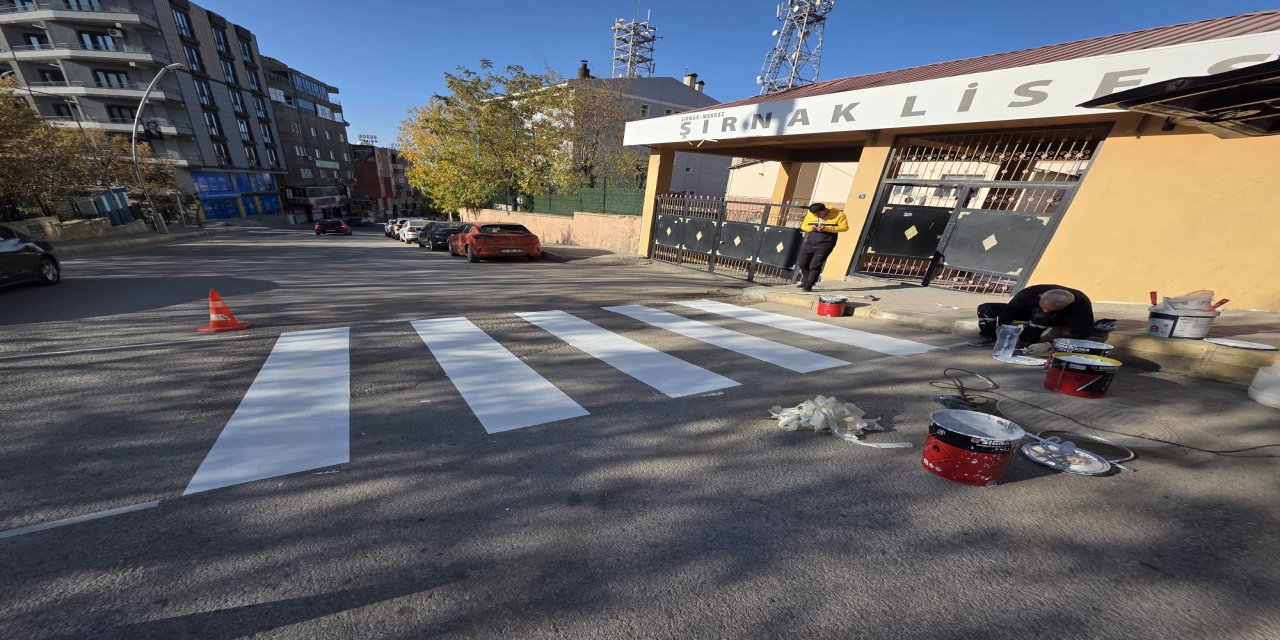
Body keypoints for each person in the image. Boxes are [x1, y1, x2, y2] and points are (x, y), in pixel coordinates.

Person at [967, 284, 1095, 348]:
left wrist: (1048, 345)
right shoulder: (1030, 293)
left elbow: (1082, 334)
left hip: (1057, 319)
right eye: (1043, 305)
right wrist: (1003, 330)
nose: (1045, 309)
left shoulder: (1081, 306)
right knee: (986, 308)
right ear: (1040, 297)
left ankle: (1026, 342)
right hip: (1028, 312)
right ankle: (987, 336)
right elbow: (1009, 311)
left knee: (1041, 316)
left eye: (1049, 309)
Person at [795, 202, 848, 292]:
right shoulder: (811, 215)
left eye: (819, 214)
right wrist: (810, 228)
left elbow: (844, 227)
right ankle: (810, 280)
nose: (817, 216)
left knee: (815, 265)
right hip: (810, 242)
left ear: (824, 210)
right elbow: (803, 226)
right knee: (802, 263)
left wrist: (827, 228)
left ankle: (809, 285)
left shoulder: (839, 214)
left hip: (825, 243)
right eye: (815, 215)